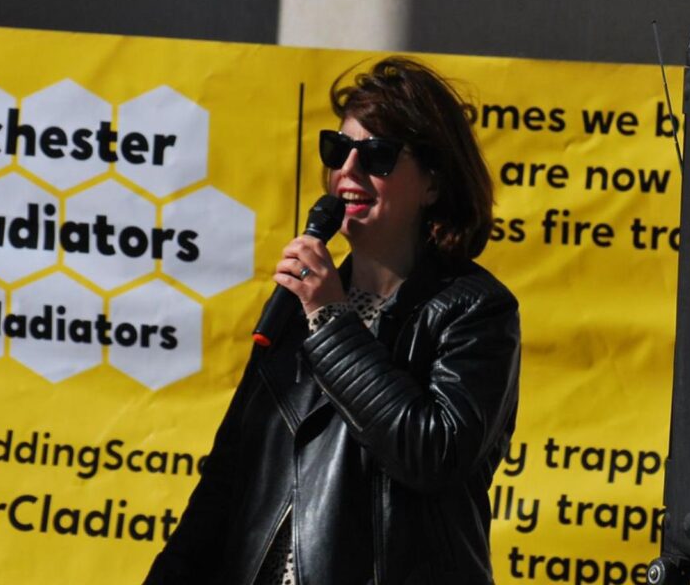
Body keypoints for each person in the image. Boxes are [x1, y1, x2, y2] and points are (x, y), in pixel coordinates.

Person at [144, 57, 521, 585]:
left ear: (433, 184)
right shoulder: (297, 305)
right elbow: (230, 477)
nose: (347, 170)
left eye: (378, 156)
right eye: (337, 149)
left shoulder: (474, 310)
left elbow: (432, 453)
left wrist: (330, 318)